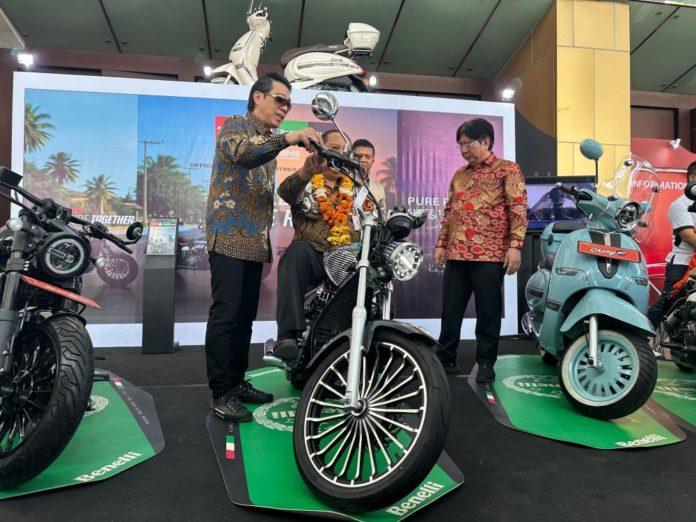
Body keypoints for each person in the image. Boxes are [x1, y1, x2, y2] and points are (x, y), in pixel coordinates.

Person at [205, 72, 323, 422]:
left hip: (255, 241)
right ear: (258, 97)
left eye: (289, 103)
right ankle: (221, 392)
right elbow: (244, 154)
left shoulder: (270, 141)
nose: (285, 108)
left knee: (244, 319)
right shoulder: (236, 126)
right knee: (226, 315)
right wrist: (290, 137)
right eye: (279, 99)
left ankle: (236, 382)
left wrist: (304, 167)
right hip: (228, 237)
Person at [434, 118, 528, 383]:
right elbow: (449, 212)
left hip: (490, 254)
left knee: (488, 312)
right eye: (460, 145)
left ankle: (486, 362)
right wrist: (441, 244)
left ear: (485, 141)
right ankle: (445, 358)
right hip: (456, 254)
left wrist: (515, 247)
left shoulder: (508, 169)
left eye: (468, 144)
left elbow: (518, 209)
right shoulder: (459, 175)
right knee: (450, 311)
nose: (463, 149)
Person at [274, 130, 375, 360]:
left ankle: (375, 342)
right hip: (315, 256)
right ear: (320, 149)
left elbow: (374, 220)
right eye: (333, 148)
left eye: (343, 150)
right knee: (296, 252)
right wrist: (307, 171)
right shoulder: (307, 181)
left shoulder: (357, 189)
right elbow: (285, 192)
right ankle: (288, 337)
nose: (338, 154)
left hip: (350, 261)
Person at [647, 160, 696, 329]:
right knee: (668, 304)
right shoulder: (680, 205)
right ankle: (642, 337)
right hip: (682, 265)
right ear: (692, 178)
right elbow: (689, 236)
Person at [352, 138, 387, 219]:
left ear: (372, 161)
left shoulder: (378, 189)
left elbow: (382, 218)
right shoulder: (339, 180)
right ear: (351, 157)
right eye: (359, 156)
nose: (363, 160)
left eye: (368, 157)